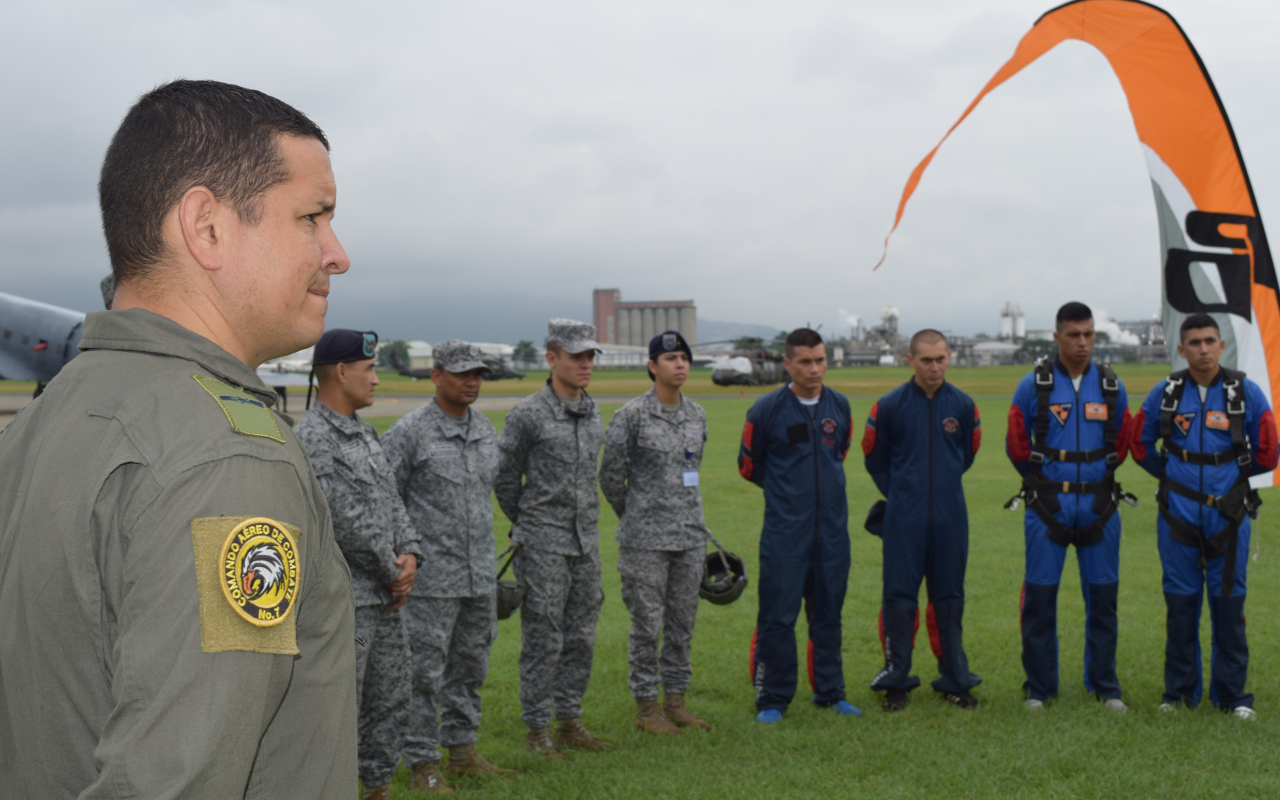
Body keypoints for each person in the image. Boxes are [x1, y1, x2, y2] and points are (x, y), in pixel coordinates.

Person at [0, 80, 358, 798]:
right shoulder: (225, 455)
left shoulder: (54, 412)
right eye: (312, 218)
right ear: (207, 227)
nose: (337, 253)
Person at [383, 341, 518, 791]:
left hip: (479, 576)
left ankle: (461, 751)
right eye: (461, 373)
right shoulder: (410, 432)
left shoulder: (484, 428)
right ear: (436, 375)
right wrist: (401, 558)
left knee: (471, 667)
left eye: (477, 373)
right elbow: (386, 500)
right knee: (422, 673)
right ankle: (422, 761)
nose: (472, 381)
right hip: (430, 581)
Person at [1131, 313, 1277, 718]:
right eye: (1194, 342)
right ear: (1181, 350)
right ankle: (1178, 695)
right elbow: (1139, 444)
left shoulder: (1245, 391)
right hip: (1176, 516)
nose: (1203, 349)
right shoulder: (1165, 392)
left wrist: (1232, 483)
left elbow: (1268, 450)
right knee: (1181, 606)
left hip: (1228, 519)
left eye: (1210, 340)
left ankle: (1231, 697)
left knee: (1228, 607)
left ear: (1221, 345)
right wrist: (1172, 479)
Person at [295, 329, 421, 800]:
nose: (377, 380)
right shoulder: (313, 437)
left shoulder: (366, 434)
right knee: (341, 706)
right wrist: (392, 570)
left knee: (390, 697)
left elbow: (392, 501)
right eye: (369, 370)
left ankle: (376, 787)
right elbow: (342, 518)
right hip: (347, 601)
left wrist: (410, 552)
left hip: (386, 598)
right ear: (341, 371)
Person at [494, 319, 614, 758]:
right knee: (544, 639)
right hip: (543, 544)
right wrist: (526, 520)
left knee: (581, 635)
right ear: (552, 357)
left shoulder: (591, 408)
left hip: (585, 542)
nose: (585, 364)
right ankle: (537, 730)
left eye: (589, 356)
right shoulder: (529, 413)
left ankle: (570, 721)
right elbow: (504, 474)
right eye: (576, 356)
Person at [1006, 301, 1133, 712]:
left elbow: (1124, 440)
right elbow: (1017, 444)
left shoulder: (1112, 385)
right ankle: (1039, 689)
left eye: (1089, 334)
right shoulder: (1034, 385)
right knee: (1040, 601)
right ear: (1057, 336)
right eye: (1074, 334)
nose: (1083, 342)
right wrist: (1048, 485)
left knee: (1103, 600)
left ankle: (1104, 686)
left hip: (1100, 505)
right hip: (1048, 506)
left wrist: (1093, 480)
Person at [737, 328, 859, 724]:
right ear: (787, 363)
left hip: (832, 533)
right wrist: (788, 496)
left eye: (820, 360)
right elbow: (749, 466)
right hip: (785, 535)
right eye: (805, 361)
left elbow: (839, 453)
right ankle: (773, 697)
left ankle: (830, 692)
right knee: (778, 616)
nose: (814, 368)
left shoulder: (839, 406)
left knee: (828, 615)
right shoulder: (766, 409)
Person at [599, 330, 712, 736]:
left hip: (689, 537)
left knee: (682, 623)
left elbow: (692, 471)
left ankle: (676, 701)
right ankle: (648, 707)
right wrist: (636, 516)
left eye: (684, 357)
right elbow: (611, 477)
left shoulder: (697, 414)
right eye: (670, 358)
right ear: (652, 366)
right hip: (644, 541)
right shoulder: (630, 415)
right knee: (647, 625)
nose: (679, 364)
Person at [863, 329, 982, 711]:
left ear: (950, 357)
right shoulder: (890, 405)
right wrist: (902, 494)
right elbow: (874, 459)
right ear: (909, 359)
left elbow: (966, 455)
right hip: (904, 519)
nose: (934, 366)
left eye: (941, 358)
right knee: (899, 598)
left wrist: (940, 488)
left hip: (950, 518)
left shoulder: (964, 406)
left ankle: (954, 679)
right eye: (926, 360)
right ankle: (897, 678)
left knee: (949, 598)